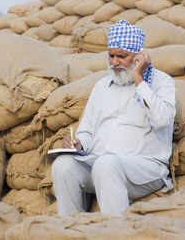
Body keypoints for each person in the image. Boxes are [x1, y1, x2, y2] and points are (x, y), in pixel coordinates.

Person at [52, 20, 176, 217]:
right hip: (99, 164)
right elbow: (87, 129)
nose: (115, 62)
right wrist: (78, 145)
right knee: (63, 165)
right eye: (111, 56)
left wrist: (139, 79)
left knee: (107, 164)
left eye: (122, 56)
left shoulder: (161, 82)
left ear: (138, 57)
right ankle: (72, 228)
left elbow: (162, 120)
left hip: (144, 168)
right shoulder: (102, 86)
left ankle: (115, 231)